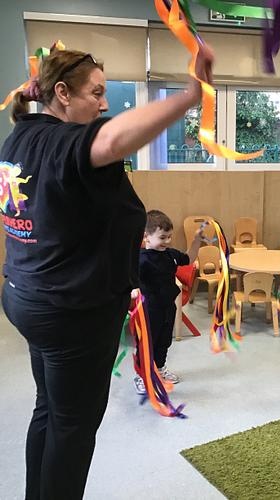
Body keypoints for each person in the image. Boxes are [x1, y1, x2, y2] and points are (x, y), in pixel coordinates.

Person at [0, 44, 213, 500]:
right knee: (72, 427)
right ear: (61, 93)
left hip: (27, 297)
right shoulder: (64, 142)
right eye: (96, 93)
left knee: (50, 410)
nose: (103, 104)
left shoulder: (20, 136)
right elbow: (114, 139)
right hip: (70, 311)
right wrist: (190, 96)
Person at [133, 209, 202, 393]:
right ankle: (142, 375)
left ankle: (160, 368)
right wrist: (132, 290)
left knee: (164, 341)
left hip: (167, 307)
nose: (167, 241)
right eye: (162, 237)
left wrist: (196, 241)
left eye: (169, 236)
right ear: (146, 237)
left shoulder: (170, 254)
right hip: (149, 310)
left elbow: (189, 259)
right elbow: (129, 279)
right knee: (147, 343)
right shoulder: (141, 259)